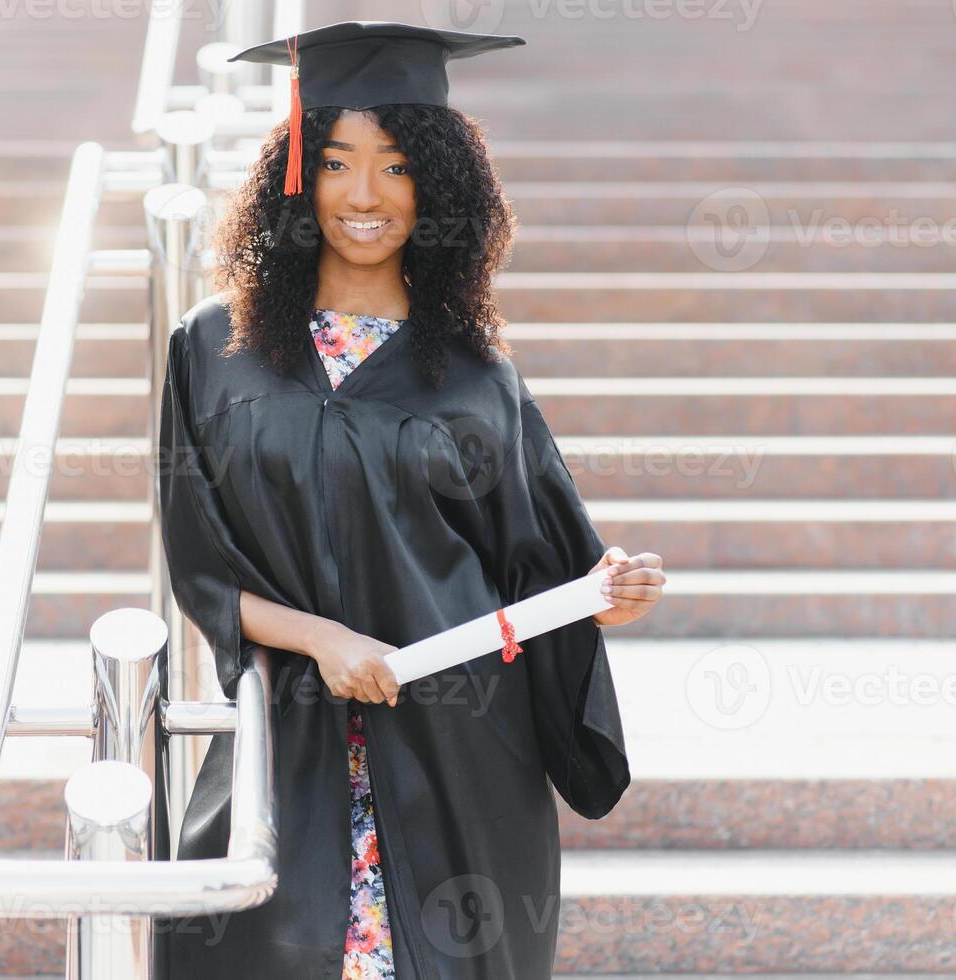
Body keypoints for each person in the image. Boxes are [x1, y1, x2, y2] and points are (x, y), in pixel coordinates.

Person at [152, 21, 666, 980]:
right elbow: (201, 567)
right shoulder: (214, 351)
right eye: (337, 160)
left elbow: (540, 568)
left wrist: (607, 588)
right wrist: (321, 639)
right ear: (296, 174)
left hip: (457, 749)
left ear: (438, 185)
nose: (363, 195)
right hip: (290, 739)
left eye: (396, 166)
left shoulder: (475, 377)